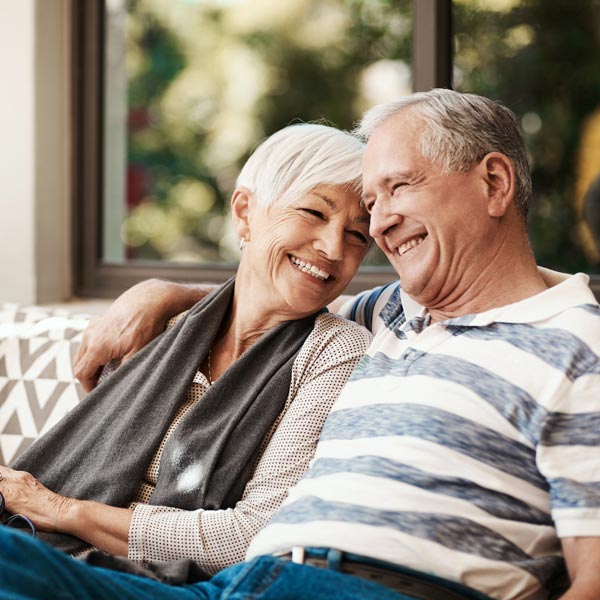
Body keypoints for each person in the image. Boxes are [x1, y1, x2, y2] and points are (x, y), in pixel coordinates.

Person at [1, 88, 600, 600]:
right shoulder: (391, 313)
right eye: (374, 201)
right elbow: (277, 291)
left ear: (493, 183)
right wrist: (165, 291)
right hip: (245, 584)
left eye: (397, 188)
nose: (381, 222)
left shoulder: (578, 346)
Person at [0, 123, 373, 575]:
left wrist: (59, 510)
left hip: (135, 575)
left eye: (358, 235)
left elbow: (248, 538)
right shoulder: (160, 327)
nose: (334, 247)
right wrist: (161, 291)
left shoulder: (336, 352)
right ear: (244, 213)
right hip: (42, 547)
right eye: (314, 212)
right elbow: (95, 465)